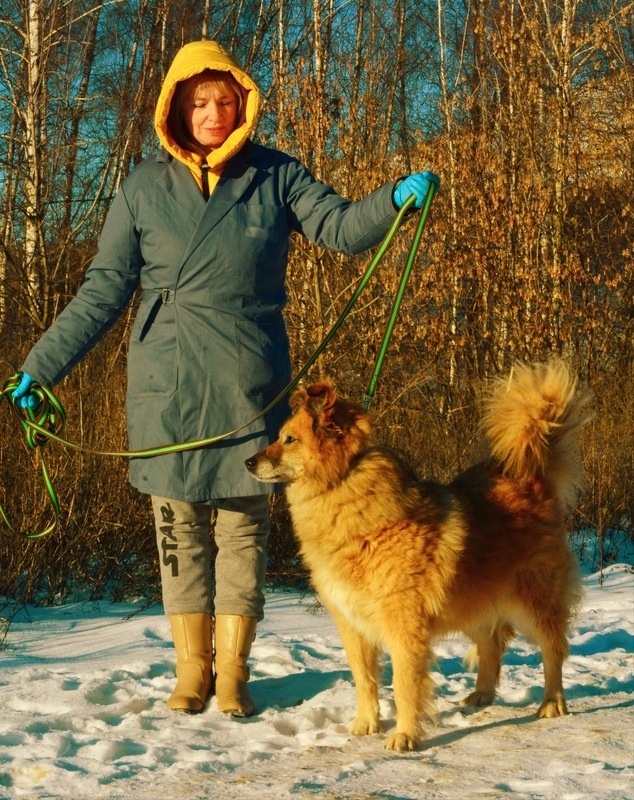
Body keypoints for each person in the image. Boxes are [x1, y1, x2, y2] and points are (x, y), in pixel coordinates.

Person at [12, 40, 439, 718]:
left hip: (251, 380)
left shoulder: (276, 176)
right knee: (178, 526)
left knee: (242, 528)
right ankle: (191, 672)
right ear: (177, 109)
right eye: (199, 101)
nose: (214, 112)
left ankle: (234, 674)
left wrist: (392, 200)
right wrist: (40, 366)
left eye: (225, 100)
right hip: (169, 383)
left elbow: (341, 228)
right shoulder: (143, 187)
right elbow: (103, 291)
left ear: (243, 103)